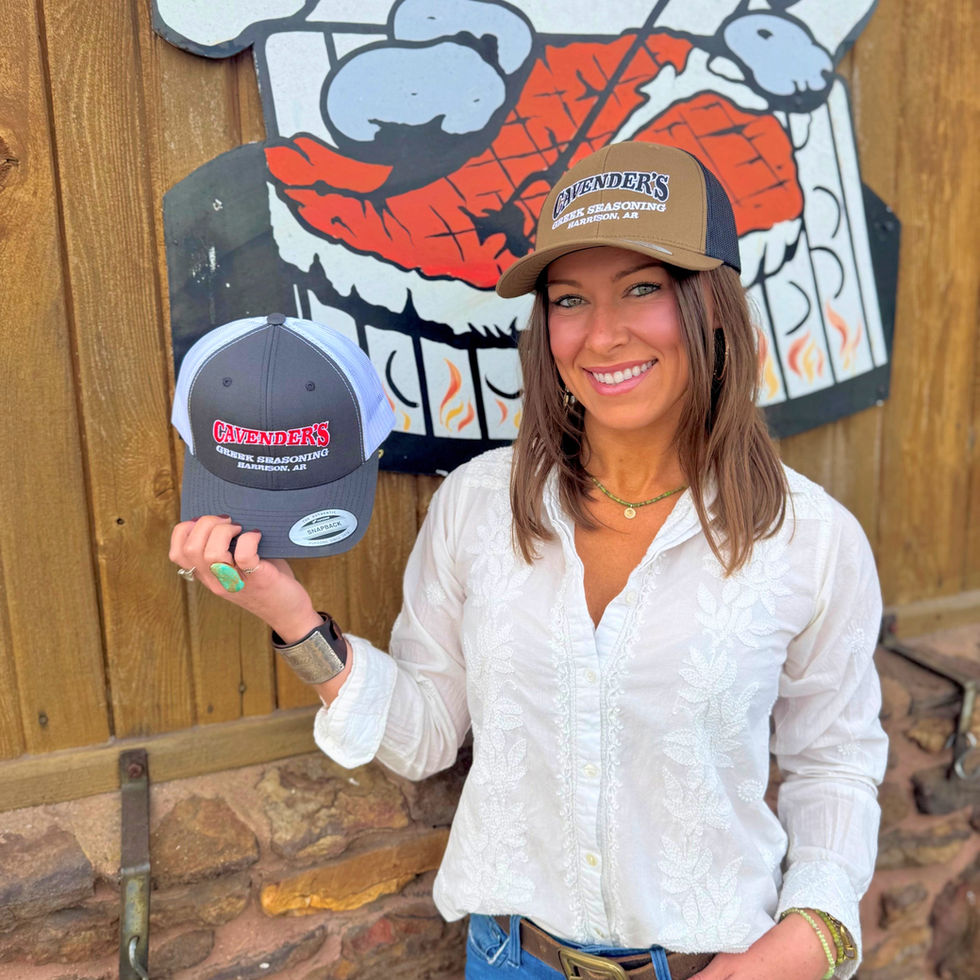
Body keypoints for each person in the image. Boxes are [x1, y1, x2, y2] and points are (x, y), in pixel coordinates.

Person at [170, 141, 887, 980]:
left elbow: (835, 761)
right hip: (512, 960)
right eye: (569, 299)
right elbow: (424, 736)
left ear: (715, 307)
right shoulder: (478, 504)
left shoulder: (809, 538)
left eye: (643, 289)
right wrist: (292, 616)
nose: (602, 335)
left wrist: (812, 937)